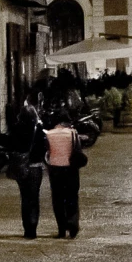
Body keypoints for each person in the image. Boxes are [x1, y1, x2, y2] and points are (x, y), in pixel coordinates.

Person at [6, 96, 47, 239]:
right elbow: (43, 148)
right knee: (34, 197)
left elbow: (10, 146)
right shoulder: (39, 129)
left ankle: (26, 229)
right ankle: (33, 228)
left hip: (21, 167)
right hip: (35, 167)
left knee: (25, 197)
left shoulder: (15, 129)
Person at [42, 107, 87, 237]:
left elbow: (46, 153)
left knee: (58, 199)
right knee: (72, 197)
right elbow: (78, 149)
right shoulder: (73, 133)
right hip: (71, 170)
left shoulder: (49, 134)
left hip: (55, 169)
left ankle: (61, 229)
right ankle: (73, 225)